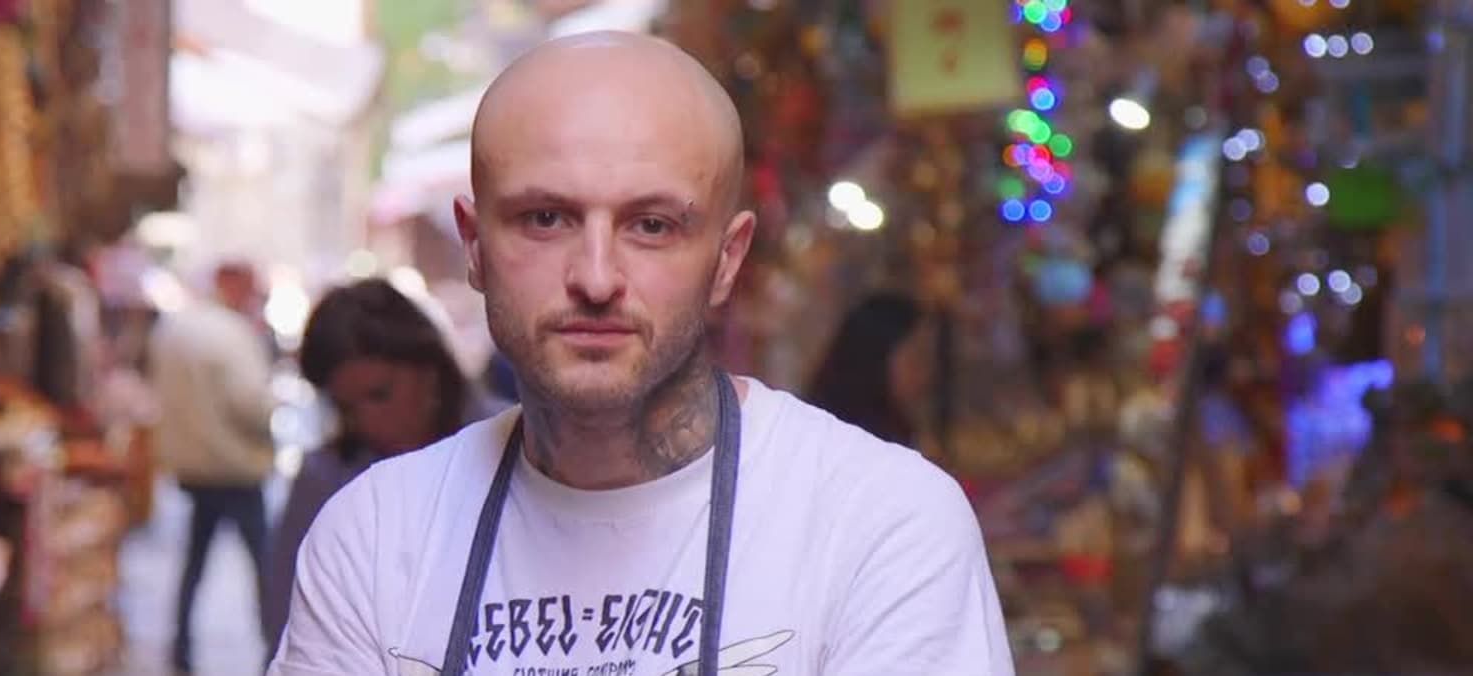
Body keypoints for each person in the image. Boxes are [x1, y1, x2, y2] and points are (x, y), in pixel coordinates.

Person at [268, 32, 1010, 676]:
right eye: (545, 218)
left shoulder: (880, 526)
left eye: (652, 226)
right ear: (475, 245)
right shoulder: (374, 537)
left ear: (726, 260)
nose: (596, 278)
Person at [260, 278, 504, 650]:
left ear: (428, 371)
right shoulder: (326, 480)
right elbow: (286, 625)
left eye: (379, 394)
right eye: (346, 407)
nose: (368, 422)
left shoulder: (513, 446)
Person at [148, 260, 277, 673]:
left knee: (195, 561)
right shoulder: (231, 334)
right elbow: (250, 403)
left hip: (195, 467)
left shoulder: (176, 328)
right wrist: (273, 419)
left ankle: (181, 648)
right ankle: (278, 644)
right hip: (235, 467)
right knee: (263, 564)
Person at [803, 292, 933, 447]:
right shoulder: (842, 436)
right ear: (877, 356)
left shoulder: (900, 427)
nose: (929, 373)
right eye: (918, 358)